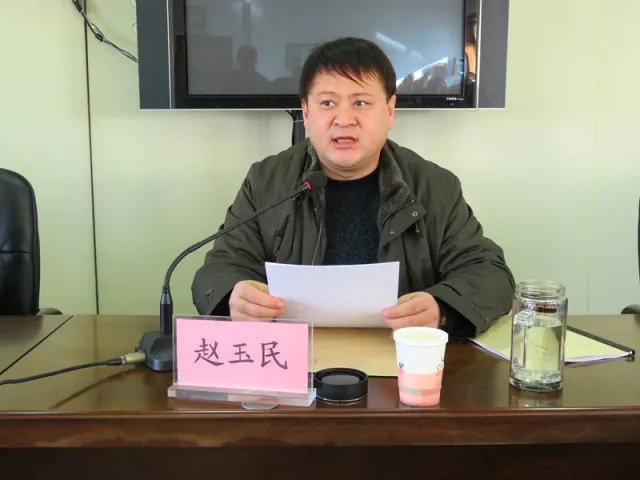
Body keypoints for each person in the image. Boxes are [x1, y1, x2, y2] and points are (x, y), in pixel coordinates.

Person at [191, 37, 515, 338]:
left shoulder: (434, 185)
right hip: (293, 360)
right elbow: (219, 269)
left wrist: (442, 309)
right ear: (306, 112)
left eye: (360, 103)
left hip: (400, 359)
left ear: (389, 111)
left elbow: (490, 273)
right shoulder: (266, 181)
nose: (344, 119)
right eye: (327, 103)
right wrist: (234, 296)